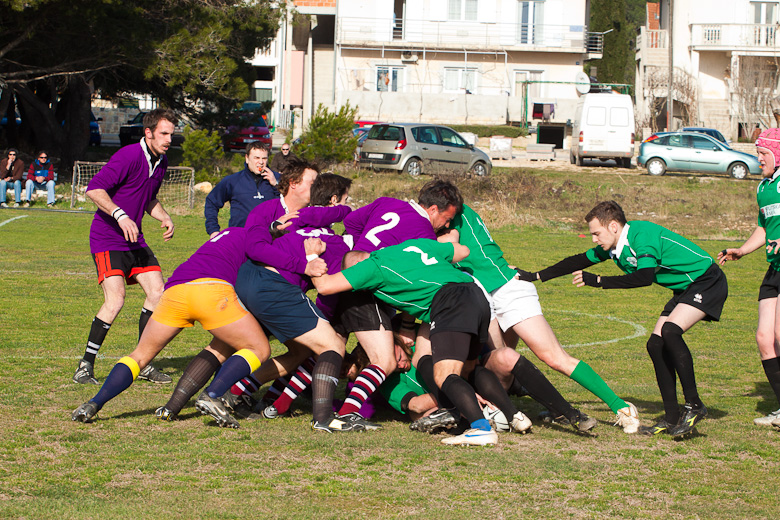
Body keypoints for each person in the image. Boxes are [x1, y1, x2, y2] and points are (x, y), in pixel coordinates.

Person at [519, 200, 727, 437]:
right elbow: (578, 260)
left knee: (670, 331)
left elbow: (644, 277)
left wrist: (600, 281)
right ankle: (671, 418)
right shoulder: (614, 246)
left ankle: (694, 405)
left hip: (706, 281)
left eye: (597, 233)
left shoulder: (642, 237)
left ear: (614, 227)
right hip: (685, 289)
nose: (594, 239)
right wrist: (535, 276)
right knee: (655, 344)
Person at [313, 239, 533, 446]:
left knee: (442, 374)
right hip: (476, 296)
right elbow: (463, 250)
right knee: (468, 369)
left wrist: (311, 256)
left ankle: (481, 427)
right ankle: (514, 415)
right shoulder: (411, 247)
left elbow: (324, 286)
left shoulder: (371, 268)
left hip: (450, 304)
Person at [443, 203, 638, 434]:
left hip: (505, 289)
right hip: (483, 293)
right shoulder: (449, 212)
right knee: (499, 361)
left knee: (554, 357)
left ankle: (622, 408)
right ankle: (509, 411)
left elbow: (450, 242)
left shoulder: (451, 212)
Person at [71, 227, 272, 424]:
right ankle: (213, 395)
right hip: (211, 291)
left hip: (176, 288)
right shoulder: (259, 242)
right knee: (259, 348)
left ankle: (94, 403)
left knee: (139, 356)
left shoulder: (229, 233)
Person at [73, 108, 178, 386]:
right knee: (115, 300)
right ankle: (85, 366)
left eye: (172, 133)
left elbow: (148, 199)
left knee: (158, 293)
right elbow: (94, 190)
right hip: (107, 238)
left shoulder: (161, 161)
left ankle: (143, 362)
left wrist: (164, 215)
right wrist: (120, 215)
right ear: (148, 133)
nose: (169, 139)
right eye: (164, 133)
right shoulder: (129, 156)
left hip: (134, 239)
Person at [719, 128, 780, 427]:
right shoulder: (763, 188)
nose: (758, 160)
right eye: (758, 154)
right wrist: (742, 250)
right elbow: (764, 227)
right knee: (764, 338)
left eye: (763, 154)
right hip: (775, 269)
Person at [204, 142, 280, 237]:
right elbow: (211, 202)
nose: (261, 162)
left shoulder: (278, 179)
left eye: (264, 158)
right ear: (247, 158)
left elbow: (290, 205)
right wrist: (213, 230)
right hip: (240, 238)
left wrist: (276, 185)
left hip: (270, 239)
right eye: (256, 158)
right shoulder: (233, 181)